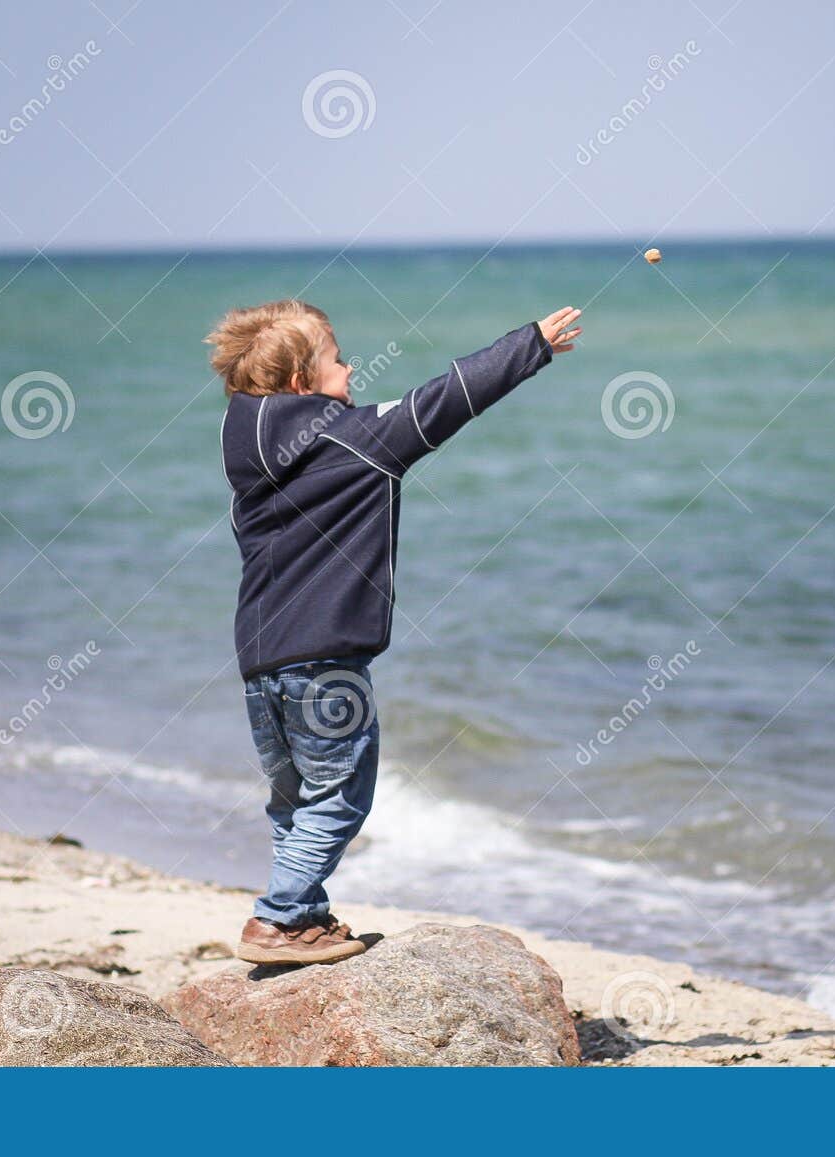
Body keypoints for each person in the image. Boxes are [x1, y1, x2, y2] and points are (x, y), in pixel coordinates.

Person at [207, 299, 583, 963]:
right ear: (300, 382)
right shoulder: (355, 440)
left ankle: (306, 916)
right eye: (337, 358)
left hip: (260, 664)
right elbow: (443, 400)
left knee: (295, 798)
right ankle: (280, 917)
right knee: (341, 795)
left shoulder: (247, 470)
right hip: (327, 662)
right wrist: (531, 345)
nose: (351, 368)